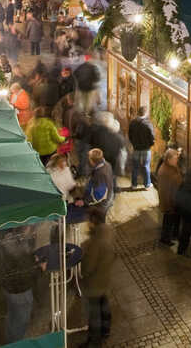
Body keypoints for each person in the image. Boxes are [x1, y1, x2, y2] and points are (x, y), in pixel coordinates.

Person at [0, 228, 40, 343]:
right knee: (21, 321)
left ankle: (10, 342)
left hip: (7, 284)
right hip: (19, 286)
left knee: (12, 315)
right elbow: (21, 260)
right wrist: (39, 268)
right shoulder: (12, 235)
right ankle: (16, 344)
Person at [79, 207, 117, 346]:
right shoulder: (109, 231)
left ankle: (94, 341)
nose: (86, 222)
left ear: (93, 221)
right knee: (104, 306)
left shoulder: (95, 242)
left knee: (94, 314)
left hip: (94, 283)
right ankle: (106, 330)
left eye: (88, 220)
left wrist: (83, 256)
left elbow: (88, 267)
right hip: (105, 279)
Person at [156, 148, 183, 246]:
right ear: (168, 159)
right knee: (168, 221)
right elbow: (166, 190)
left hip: (174, 200)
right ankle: (165, 239)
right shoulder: (165, 172)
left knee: (171, 220)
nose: (176, 161)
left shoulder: (170, 166)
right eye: (175, 159)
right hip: (170, 202)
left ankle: (171, 235)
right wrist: (170, 203)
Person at [127, 106, 156, 190]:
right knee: (146, 166)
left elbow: (130, 135)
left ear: (138, 113)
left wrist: (134, 144)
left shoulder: (133, 123)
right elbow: (152, 137)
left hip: (136, 148)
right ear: (146, 113)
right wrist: (150, 144)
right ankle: (147, 184)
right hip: (146, 149)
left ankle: (134, 184)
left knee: (135, 166)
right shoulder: (148, 124)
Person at [84, 148, 114, 217]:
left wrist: (86, 201)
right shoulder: (107, 164)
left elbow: (99, 195)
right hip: (109, 194)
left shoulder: (100, 174)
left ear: (93, 161)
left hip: (102, 203)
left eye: (89, 159)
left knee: (99, 217)